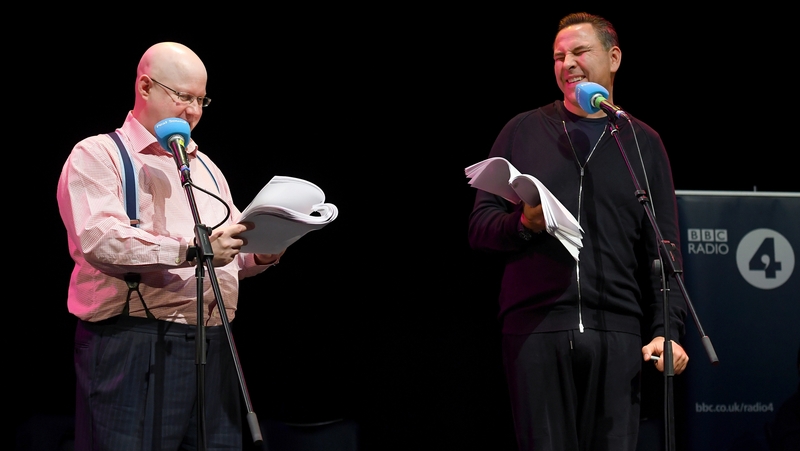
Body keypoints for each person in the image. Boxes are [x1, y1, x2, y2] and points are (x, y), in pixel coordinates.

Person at [467, 12, 690, 451]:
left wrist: (669, 329)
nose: (566, 63)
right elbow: (479, 228)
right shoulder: (522, 131)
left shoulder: (642, 141)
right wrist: (524, 224)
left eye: (579, 52)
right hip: (536, 330)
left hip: (619, 333)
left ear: (614, 57)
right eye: (558, 56)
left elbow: (663, 248)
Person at [56, 41, 285, 450]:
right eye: (183, 96)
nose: (193, 111)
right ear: (145, 87)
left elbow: (225, 249)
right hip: (134, 342)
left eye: (201, 100)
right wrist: (191, 250)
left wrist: (260, 253)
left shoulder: (206, 166)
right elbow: (100, 239)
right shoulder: (100, 153)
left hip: (214, 343)